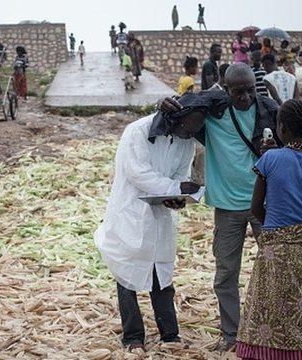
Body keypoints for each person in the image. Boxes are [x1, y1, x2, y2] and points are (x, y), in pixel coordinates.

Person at [160, 63, 281, 353]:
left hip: (264, 205)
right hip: (227, 208)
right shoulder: (212, 114)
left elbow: (292, 140)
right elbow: (176, 114)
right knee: (226, 274)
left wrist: (274, 149)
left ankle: (274, 330)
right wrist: (162, 105)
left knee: (276, 269)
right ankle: (232, 333)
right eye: (239, 92)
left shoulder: (266, 110)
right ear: (226, 90)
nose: (245, 97)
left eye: (250, 90)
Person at [95, 92, 209, 351]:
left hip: (159, 216)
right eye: (188, 126)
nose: (191, 132)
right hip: (130, 212)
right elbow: (138, 174)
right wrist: (175, 187)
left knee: (162, 274)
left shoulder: (186, 141)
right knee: (127, 274)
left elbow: (181, 173)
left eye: (196, 128)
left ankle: (170, 334)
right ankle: (133, 336)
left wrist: (177, 198)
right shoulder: (137, 131)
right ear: (175, 119)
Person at [237, 99, 302, 359]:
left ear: (280, 127)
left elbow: (256, 207)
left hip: (274, 247)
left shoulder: (270, 159)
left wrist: (278, 227)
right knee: (301, 304)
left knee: (267, 304)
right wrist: (301, 230)